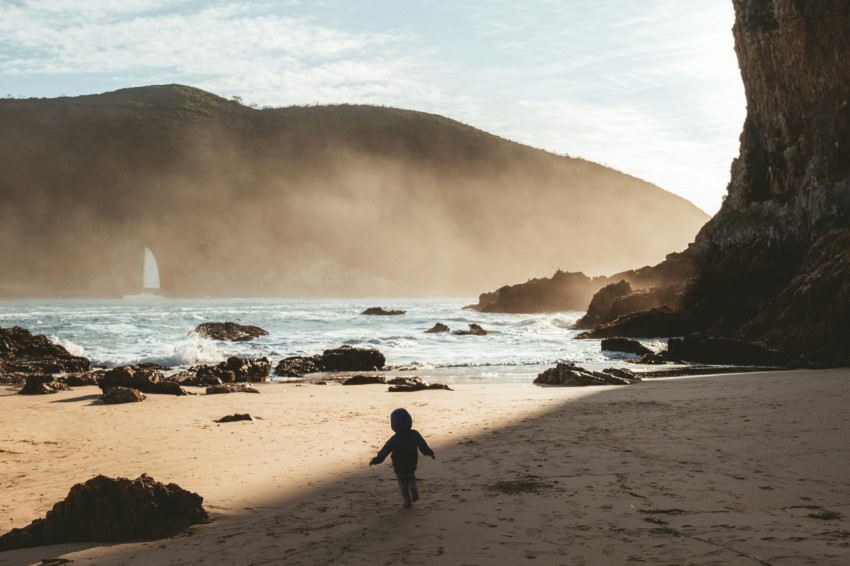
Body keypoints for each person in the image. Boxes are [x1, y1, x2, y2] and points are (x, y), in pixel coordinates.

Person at [369, 407, 435, 508]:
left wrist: (377, 460)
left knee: (402, 483)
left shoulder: (395, 438)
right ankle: (413, 487)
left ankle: (407, 501)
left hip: (399, 466)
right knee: (410, 478)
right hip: (412, 463)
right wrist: (430, 453)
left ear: (394, 425)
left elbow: (385, 451)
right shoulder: (415, 434)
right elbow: (423, 446)